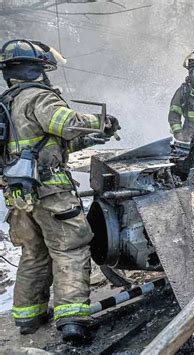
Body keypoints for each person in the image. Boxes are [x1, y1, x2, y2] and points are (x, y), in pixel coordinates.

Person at [0, 39, 120, 342]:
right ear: (38, 69)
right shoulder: (38, 97)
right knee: (71, 249)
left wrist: (90, 139)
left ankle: (29, 316)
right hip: (52, 193)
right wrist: (100, 123)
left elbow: (50, 141)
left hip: (20, 196)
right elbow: (64, 124)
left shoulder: (7, 103)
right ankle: (73, 321)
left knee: (34, 253)